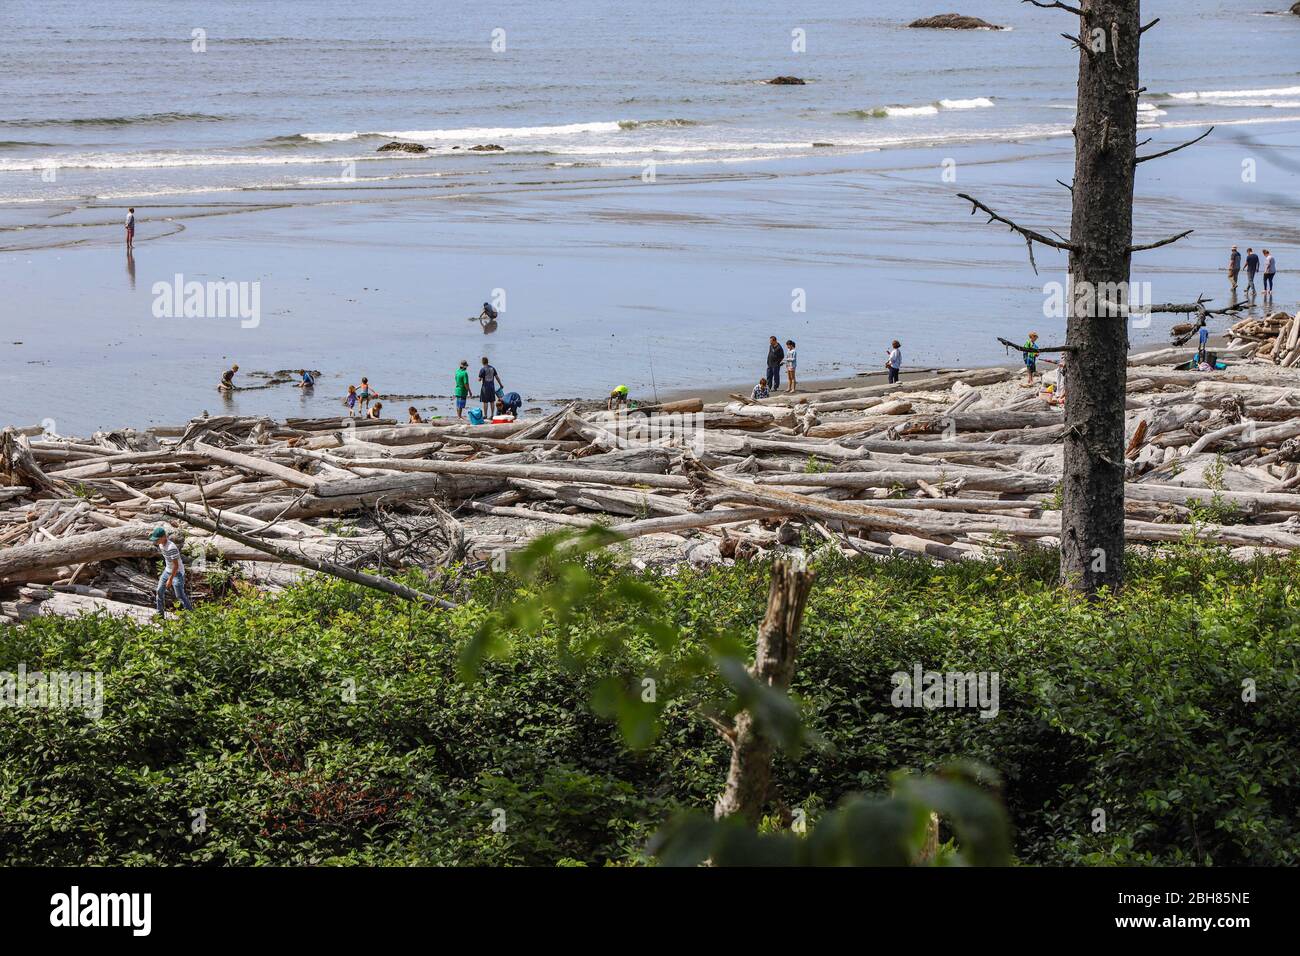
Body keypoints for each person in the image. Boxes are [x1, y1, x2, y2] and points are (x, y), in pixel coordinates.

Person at [151, 526, 194, 617]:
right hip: (167, 570)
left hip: (177, 573)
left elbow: (176, 565)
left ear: (163, 537)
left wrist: (170, 579)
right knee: (159, 591)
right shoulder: (160, 544)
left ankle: (191, 615)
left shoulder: (171, 548)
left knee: (179, 595)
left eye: (157, 539)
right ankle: (160, 615)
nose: (155, 541)